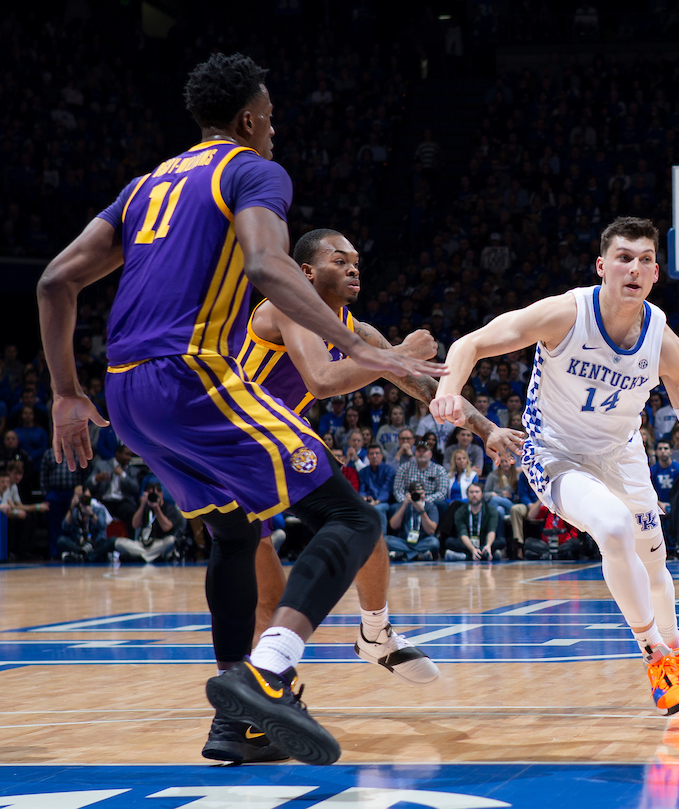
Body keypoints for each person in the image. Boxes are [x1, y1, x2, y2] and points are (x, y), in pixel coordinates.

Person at [36, 52, 449, 768]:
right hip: (192, 377)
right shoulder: (253, 170)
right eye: (272, 121)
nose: (275, 133)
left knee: (232, 536)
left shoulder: (142, 187)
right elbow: (265, 266)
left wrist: (66, 394)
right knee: (352, 517)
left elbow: (55, 281)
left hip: (124, 394)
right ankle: (268, 672)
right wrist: (365, 348)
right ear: (250, 118)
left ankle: (238, 722)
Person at [430, 216, 679, 715]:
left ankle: (675, 646)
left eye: (646, 260)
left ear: (655, 274)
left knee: (654, 563)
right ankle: (654, 653)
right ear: (602, 266)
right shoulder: (565, 314)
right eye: (624, 257)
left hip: (623, 455)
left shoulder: (664, 343)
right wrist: (449, 393)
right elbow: (471, 343)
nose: (635, 268)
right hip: (554, 452)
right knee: (614, 527)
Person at [233, 224, 520, 716]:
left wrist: (487, 429)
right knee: (270, 593)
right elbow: (322, 381)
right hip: (236, 445)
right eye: (339, 260)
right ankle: (261, 698)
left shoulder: (357, 332)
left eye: (356, 263)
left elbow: (429, 389)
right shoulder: (286, 305)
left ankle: (374, 631)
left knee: (363, 528)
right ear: (306, 271)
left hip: (276, 444)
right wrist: (401, 352)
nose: (352, 268)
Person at [114, 481, 179, 563]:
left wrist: (157, 509)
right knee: (119, 542)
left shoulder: (169, 508)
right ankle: (150, 557)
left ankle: (140, 557)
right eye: (150, 495)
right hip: (141, 544)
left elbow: (166, 527)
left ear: (161, 494)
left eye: (155, 495)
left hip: (158, 543)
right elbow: (135, 525)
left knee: (171, 540)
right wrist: (142, 505)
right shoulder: (144, 507)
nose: (152, 498)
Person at [445, 482, 504, 561]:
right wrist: (472, 549)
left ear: (482, 494)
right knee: (449, 542)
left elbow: (491, 530)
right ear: (467, 494)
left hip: (483, 541)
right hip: (468, 542)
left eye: (477, 492)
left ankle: (465, 556)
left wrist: (488, 545)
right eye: (471, 492)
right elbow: (463, 533)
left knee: (501, 541)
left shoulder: (490, 510)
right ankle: (486, 555)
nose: (474, 495)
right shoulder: (460, 511)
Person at [58, 484, 116, 563]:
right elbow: (65, 527)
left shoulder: (98, 509)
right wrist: (71, 508)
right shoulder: (75, 512)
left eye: (86, 498)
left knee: (112, 541)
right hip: (80, 544)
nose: (84, 501)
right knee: (61, 540)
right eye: (81, 498)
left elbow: (102, 525)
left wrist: (91, 514)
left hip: (96, 544)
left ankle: (83, 557)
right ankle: (84, 554)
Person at [385, 480, 440, 561]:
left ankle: (404, 554)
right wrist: (404, 505)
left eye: (421, 493)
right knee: (386, 540)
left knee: (434, 542)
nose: (419, 497)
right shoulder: (404, 505)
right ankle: (417, 554)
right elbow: (393, 525)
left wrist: (422, 511)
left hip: (422, 540)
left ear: (424, 494)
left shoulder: (430, 507)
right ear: (410, 494)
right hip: (405, 541)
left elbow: (431, 530)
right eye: (416, 494)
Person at [650, 439, 679, 517]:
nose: (663, 451)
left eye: (666, 448)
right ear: (656, 452)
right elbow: (648, 492)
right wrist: (659, 503)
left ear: (671, 451)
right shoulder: (651, 471)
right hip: (657, 505)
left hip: (677, 505)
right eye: (660, 449)